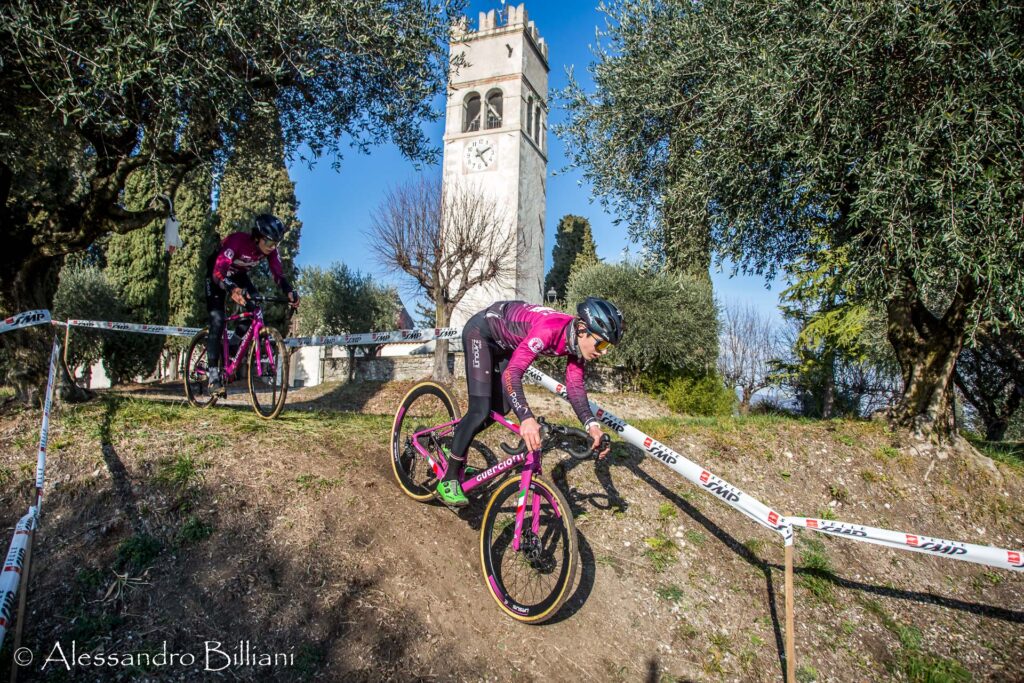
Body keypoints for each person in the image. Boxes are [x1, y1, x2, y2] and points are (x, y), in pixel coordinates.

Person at [436, 297, 625, 506]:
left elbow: (575, 387)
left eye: (608, 346)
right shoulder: (550, 330)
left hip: (506, 343)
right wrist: (526, 418)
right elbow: (512, 374)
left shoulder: (575, 342)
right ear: (582, 329)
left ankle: (454, 446)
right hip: (482, 332)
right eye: (603, 343)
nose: (604, 351)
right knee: (480, 410)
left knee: (501, 408)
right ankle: (449, 477)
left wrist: (592, 425)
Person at [204, 214, 299, 395]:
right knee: (217, 320)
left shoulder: (269, 251)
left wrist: (289, 291)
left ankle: (233, 345)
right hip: (217, 275)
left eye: (276, 244)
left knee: (255, 308)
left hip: (238, 275)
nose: (272, 248)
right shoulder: (238, 241)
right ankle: (213, 377)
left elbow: (278, 274)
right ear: (257, 237)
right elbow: (219, 271)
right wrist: (231, 289)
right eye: (269, 243)